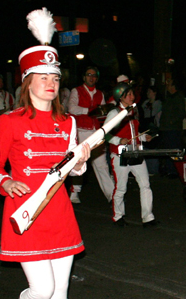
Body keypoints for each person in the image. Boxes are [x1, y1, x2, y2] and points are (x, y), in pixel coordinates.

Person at [0, 10, 90, 299]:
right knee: (42, 289)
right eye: (41, 76)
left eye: (54, 77)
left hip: (59, 211)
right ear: (27, 81)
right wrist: (5, 182)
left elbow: (74, 170)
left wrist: (80, 161)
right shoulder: (9, 121)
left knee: (61, 292)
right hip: (25, 212)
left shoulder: (68, 121)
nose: (49, 82)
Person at [105, 82, 156, 228]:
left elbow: (134, 133)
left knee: (145, 184)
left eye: (132, 94)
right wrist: (119, 140)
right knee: (121, 188)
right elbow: (105, 135)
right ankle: (118, 216)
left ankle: (148, 217)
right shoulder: (114, 113)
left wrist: (142, 137)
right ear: (120, 97)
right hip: (120, 155)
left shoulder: (134, 111)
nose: (132, 97)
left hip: (135, 152)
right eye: (128, 95)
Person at [66, 66, 114, 203]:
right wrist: (91, 110)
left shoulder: (100, 93)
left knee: (101, 164)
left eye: (94, 75)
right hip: (80, 130)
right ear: (84, 77)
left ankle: (112, 195)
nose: (91, 77)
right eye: (89, 75)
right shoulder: (76, 91)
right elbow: (72, 108)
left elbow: (102, 112)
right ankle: (75, 192)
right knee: (79, 162)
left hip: (96, 131)